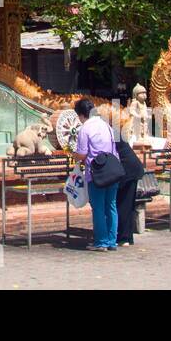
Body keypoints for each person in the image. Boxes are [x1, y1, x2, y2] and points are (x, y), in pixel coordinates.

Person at [71, 98, 120, 251]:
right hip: (112, 170)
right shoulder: (106, 125)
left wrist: (74, 156)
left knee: (98, 207)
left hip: (96, 173)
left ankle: (101, 242)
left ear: (80, 115)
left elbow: (83, 154)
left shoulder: (85, 129)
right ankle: (112, 241)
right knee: (111, 206)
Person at [115, 136, 147, 247]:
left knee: (123, 204)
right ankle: (127, 237)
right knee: (127, 204)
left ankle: (124, 237)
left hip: (127, 170)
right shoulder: (113, 132)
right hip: (130, 168)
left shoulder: (107, 134)